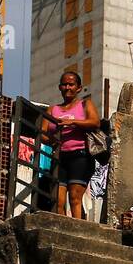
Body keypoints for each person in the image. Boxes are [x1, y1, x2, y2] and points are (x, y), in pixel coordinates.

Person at [41, 71, 102, 220]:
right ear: (59, 87)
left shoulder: (85, 104)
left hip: (81, 156)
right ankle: (62, 228)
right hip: (59, 157)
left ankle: (78, 228)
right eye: (64, 84)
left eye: (71, 84)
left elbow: (95, 122)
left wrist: (73, 122)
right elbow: (42, 133)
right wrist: (51, 139)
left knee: (74, 198)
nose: (67, 87)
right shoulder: (52, 109)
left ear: (79, 88)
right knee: (58, 200)